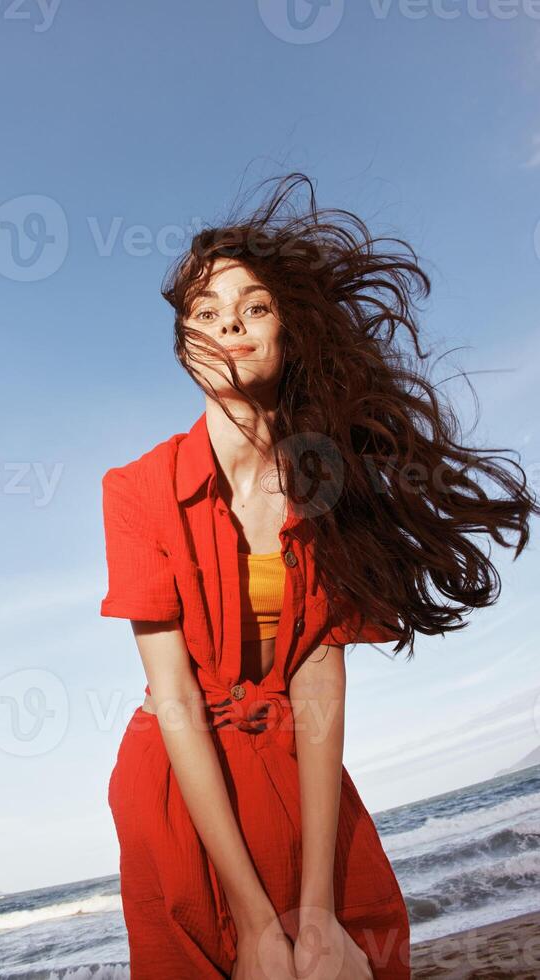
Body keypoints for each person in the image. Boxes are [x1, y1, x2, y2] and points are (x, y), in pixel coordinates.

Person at [99, 173, 538, 980]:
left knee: (353, 952)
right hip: (182, 785)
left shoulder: (327, 485)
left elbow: (318, 684)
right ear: (183, 346)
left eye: (254, 306)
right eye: (205, 311)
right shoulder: (134, 491)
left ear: (287, 334)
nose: (229, 321)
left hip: (301, 775)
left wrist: (314, 908)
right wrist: (263, 925)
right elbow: (178, 702)